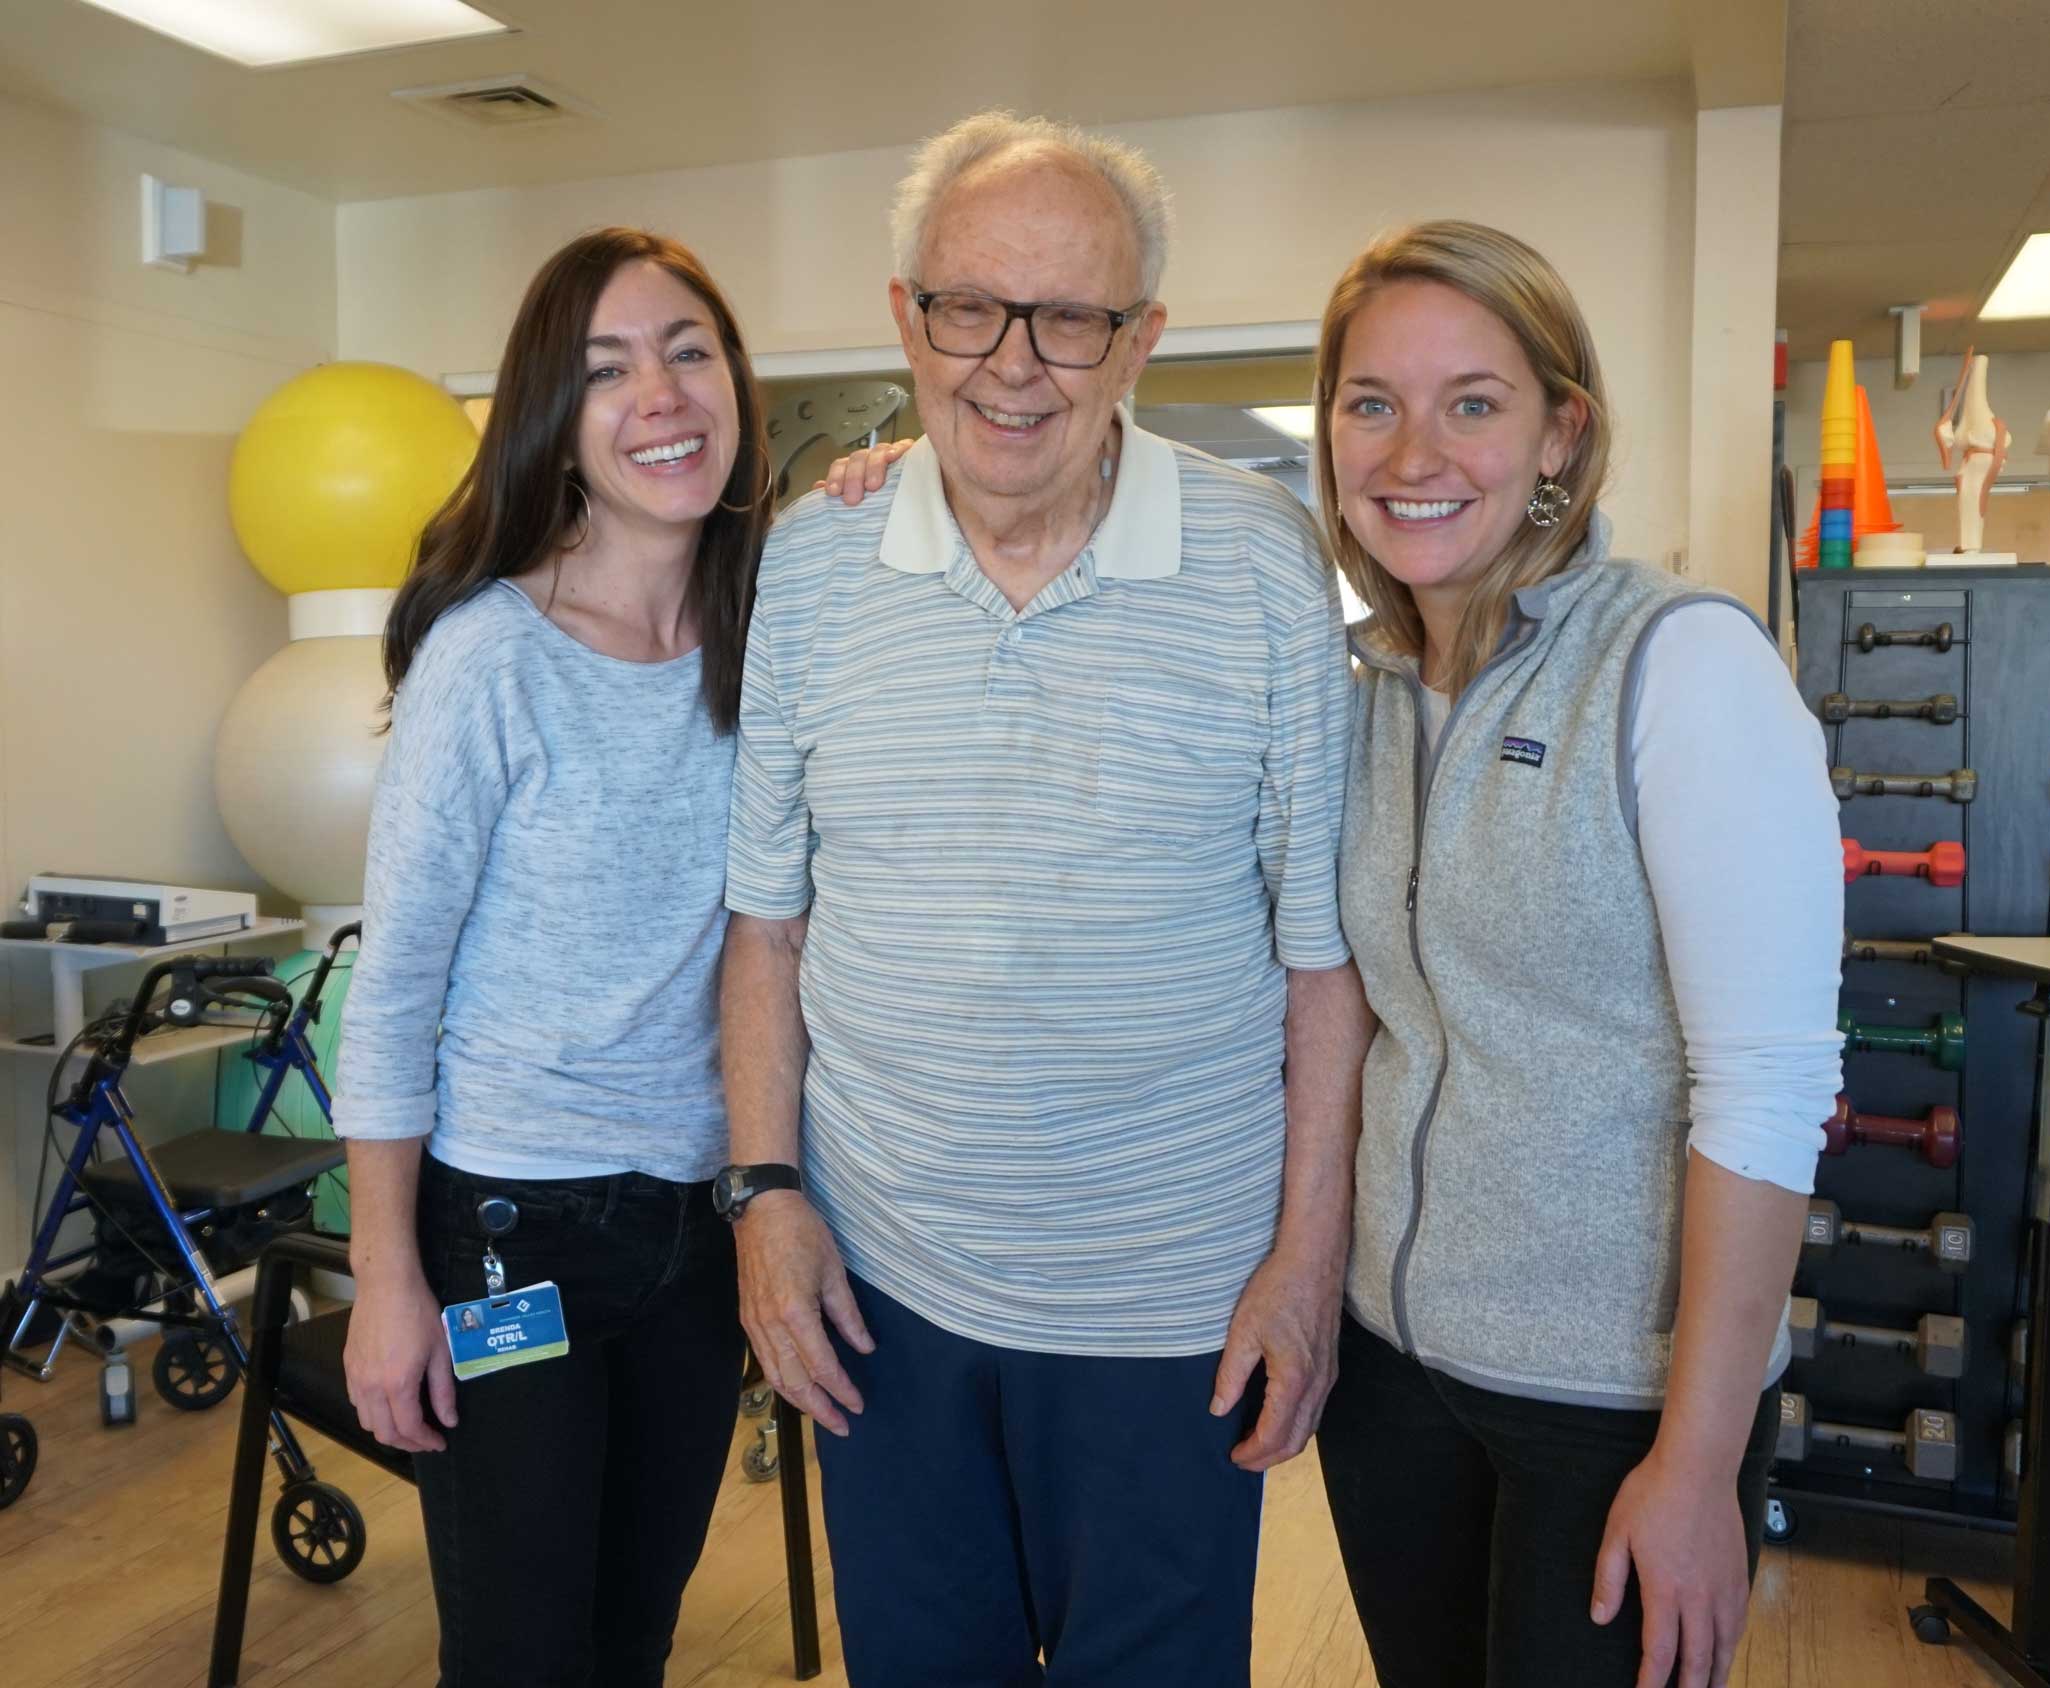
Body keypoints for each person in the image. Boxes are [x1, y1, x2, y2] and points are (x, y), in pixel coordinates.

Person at [719, 112, 1368, 1687]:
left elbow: (1322, 971)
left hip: (1174, 1303)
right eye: (969, 306)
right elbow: (766, 929)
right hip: (883, 1294)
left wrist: (1304, 1261)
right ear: (905, 318)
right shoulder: (811, 565)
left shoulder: (1266, 562)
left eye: (1071, 317)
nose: (1013, 363)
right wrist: (764, 1197)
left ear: (1138, 340)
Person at [1310, 221, 1842, 1688]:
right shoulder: (1359, 689)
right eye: (1370, 402)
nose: (1413, 449)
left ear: (1562, 430)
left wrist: (1697, 1458)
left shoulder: (1679, 664)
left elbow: (1767, 1090)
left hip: (1613, 1408)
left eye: (1471, 402)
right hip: (1394, 1376)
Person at [336, 227, 772, 1688]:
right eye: (605, 371)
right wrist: (386, 1278)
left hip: (702, 1230)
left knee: (633, 1642)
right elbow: (391, 989)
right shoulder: (492, 656)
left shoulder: (773, 630)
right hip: (514, 1232)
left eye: (687, 350)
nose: (658, 395)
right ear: (558, 427)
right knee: (523, 1654)